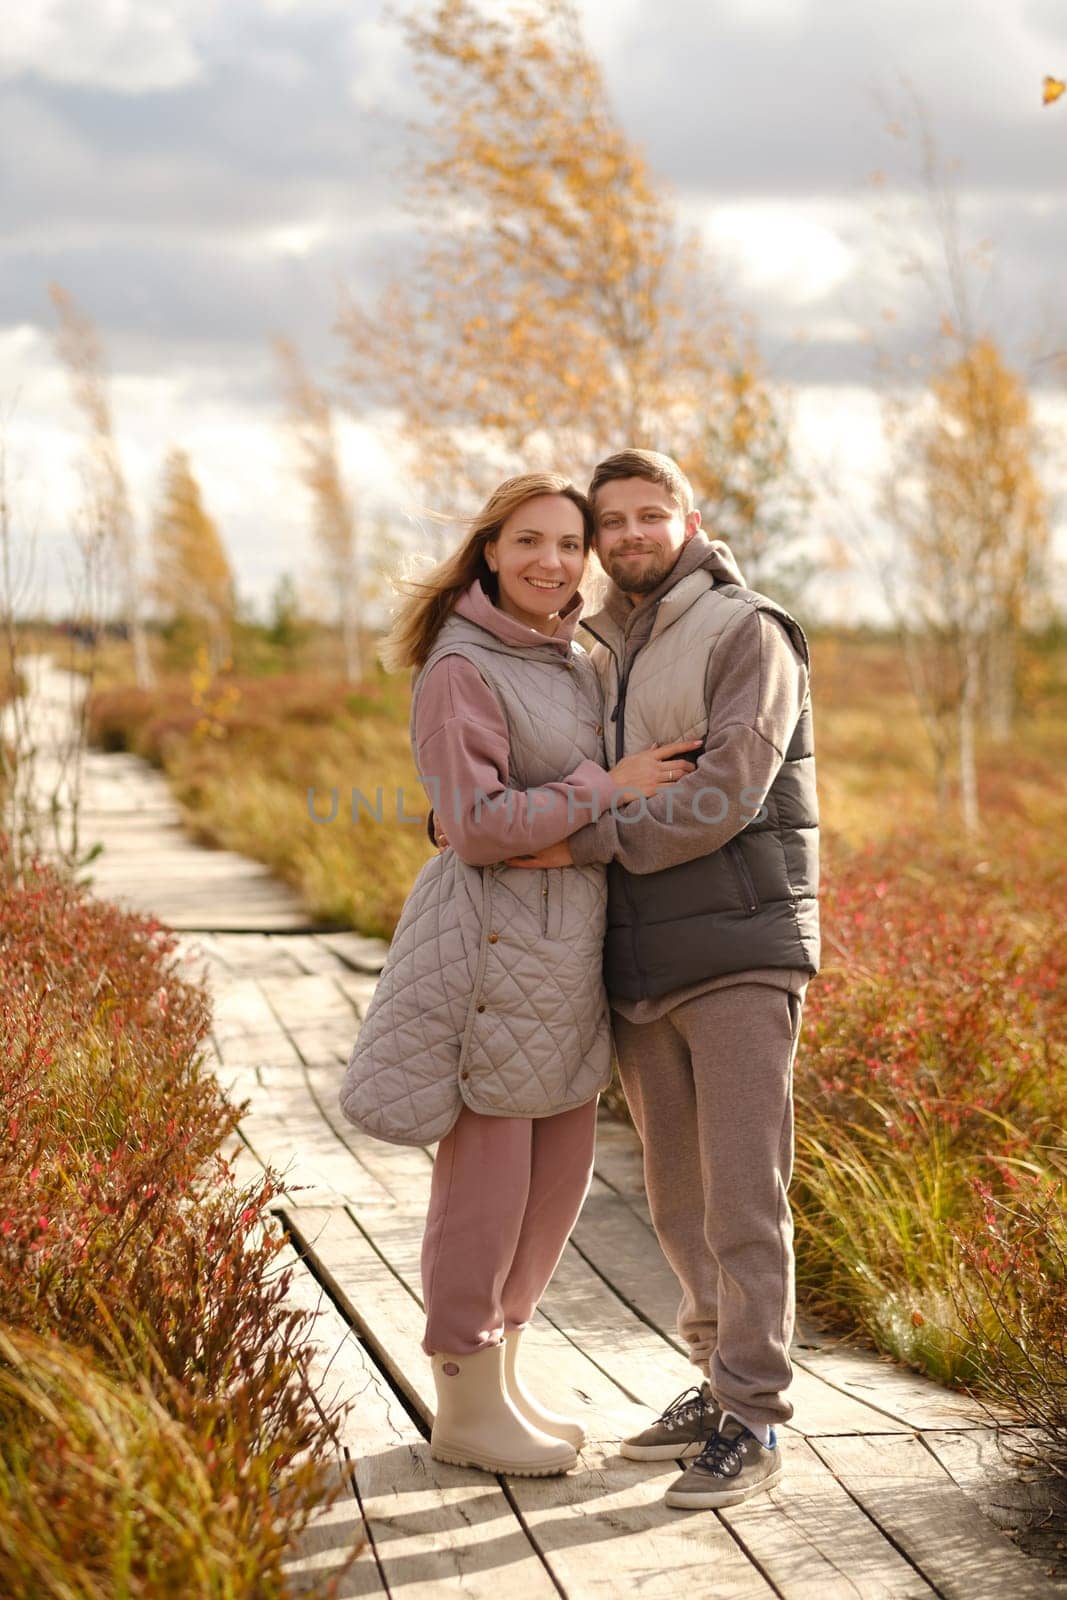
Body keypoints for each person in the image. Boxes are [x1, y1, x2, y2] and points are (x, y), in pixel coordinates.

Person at [339, 472, 699, 1479]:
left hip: (567, 952)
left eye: (567, 542)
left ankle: (502, 1375)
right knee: (487, 1185)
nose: (552, 559)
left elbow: (547, 821)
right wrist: (605, 789)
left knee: (556, 1184)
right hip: (493, 952)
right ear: (489, 550)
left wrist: (593, 820)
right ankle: (460, 1399)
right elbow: (481, 826)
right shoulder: (460, 667)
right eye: (528, 540)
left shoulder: (576, 660)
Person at [509, 449, 819, 1510]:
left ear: (690, 519)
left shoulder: (747, 630)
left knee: (743, 1191)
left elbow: (726, 793)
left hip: (738, 947)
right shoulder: (594, 649)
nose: (632, 533)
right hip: (636, 959)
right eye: (614, 521)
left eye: (652, 514)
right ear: (596, 538)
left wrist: (584, 838)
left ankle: (755, 1414)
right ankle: (711, 1376)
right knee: (679, 1201)